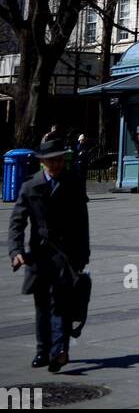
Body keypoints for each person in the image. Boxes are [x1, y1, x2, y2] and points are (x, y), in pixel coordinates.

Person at [8, 132, 90, 373]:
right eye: (51, 160)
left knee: (60, 304)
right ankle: (42, 349)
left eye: (59, 160)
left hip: (65, 255)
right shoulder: (30, 186)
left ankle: (59, 351)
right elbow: (17, 222)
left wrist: (83, 254)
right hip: (39, 255)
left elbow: (82, 222)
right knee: (42, 304)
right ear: (42, 162)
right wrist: (16, 251)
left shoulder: (72, 183)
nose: (56, 164)